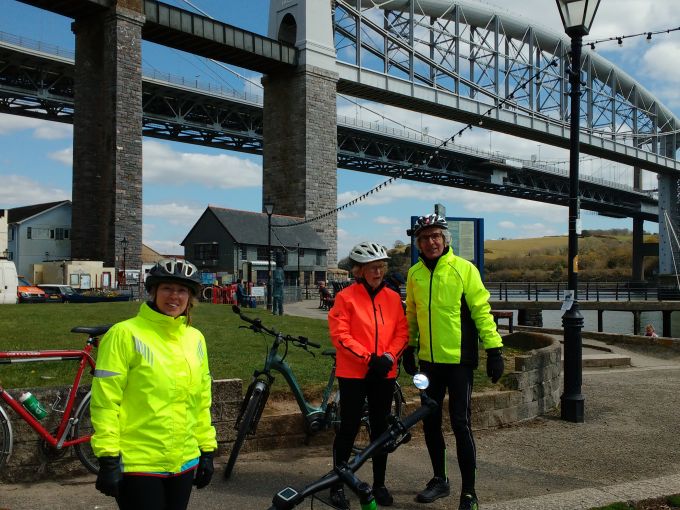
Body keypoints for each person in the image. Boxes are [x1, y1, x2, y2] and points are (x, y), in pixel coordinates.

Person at [91, 259, 217, 510]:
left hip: (184, 460)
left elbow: (201, 399)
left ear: (190, 297)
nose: (174, 296)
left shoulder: (195, 338)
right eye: (167, 288)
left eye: (182, 290)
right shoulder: (124, 334)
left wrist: (207, 450)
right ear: (153, 291)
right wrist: (108, 458)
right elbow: (105, 401)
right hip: (138, 462)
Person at [403, 214, 504, 510]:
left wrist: (494, 350)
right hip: (429, 363)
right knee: (430, 423)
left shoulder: (464, 269)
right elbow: (412, 314)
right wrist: (409, 346)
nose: (431, 242)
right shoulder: (414, 274)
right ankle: (440, 480)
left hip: (459, 362)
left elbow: (481, 311)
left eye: (436, 236)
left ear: (446, 239)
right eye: (424, 238)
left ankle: (469, 493)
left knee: (461, 423)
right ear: (419, 244)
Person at [327, 241, 409, 508]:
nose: (378, 272)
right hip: (353, 372)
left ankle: (379, 484)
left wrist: (388, 357)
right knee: (348, 428)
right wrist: (368, 358)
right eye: (372, 267)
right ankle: (337, 484)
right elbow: (340, 335)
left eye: (381, 266)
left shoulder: (393, 298)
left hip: (384, 372)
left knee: (380, 429)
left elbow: (402, 332)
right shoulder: (345, 297)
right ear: (359, 271)